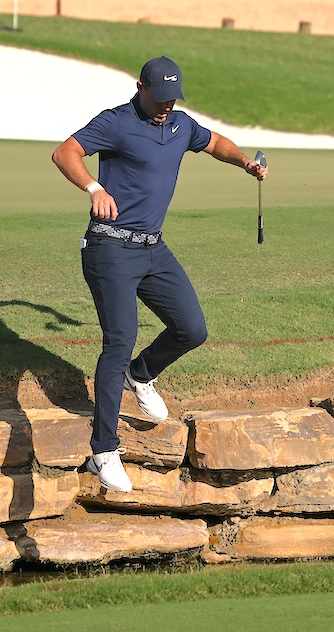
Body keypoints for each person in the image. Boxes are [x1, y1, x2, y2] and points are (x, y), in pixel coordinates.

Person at [52, 55, 268, 493]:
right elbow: (65, 152)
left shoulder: (181, 125)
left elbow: (214, 142)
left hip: (153, 249)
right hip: (110, 247)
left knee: (192, 329)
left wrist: (245, 162)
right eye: (160, 97)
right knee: (119, 341)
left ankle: (141, 374)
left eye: (173, 98)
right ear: (141, 87)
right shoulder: (116, 122)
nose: (167, 105)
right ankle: (104, 451)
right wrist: (94, 188)